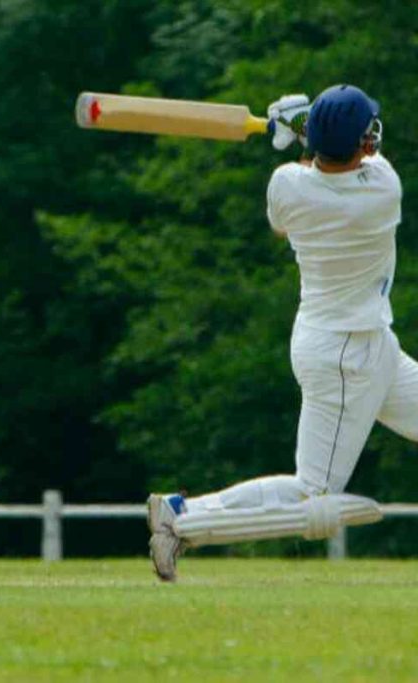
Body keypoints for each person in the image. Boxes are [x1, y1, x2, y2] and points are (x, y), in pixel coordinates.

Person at [147, 84, 408, 582]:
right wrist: (302, 130)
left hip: (360, 343)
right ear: (363, 144)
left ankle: (182, 515)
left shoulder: (285, 187)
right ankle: (182, 516)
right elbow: (368, 154)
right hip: (345, 357)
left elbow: (304, 187)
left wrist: (292, 135)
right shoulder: (383, 190)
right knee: (312, 492)